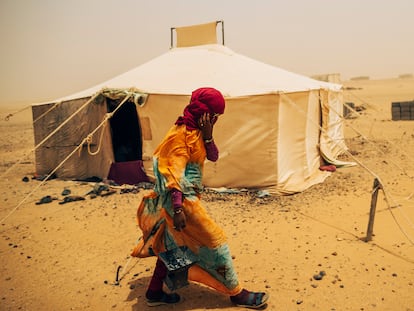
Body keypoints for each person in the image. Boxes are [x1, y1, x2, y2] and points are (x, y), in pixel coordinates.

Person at [131, 87, 269, 309]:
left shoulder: (197, 132)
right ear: (204, 112)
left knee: (171, 245)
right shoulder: (179, 135)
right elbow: (173, 173)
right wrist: (178, 210)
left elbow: (213, 156)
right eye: (214, 115)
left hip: (188, 198)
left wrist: (208, 135)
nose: (215, 119)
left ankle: (154, 292)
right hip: (181, 201)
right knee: (216, 243)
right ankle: (237, 293)